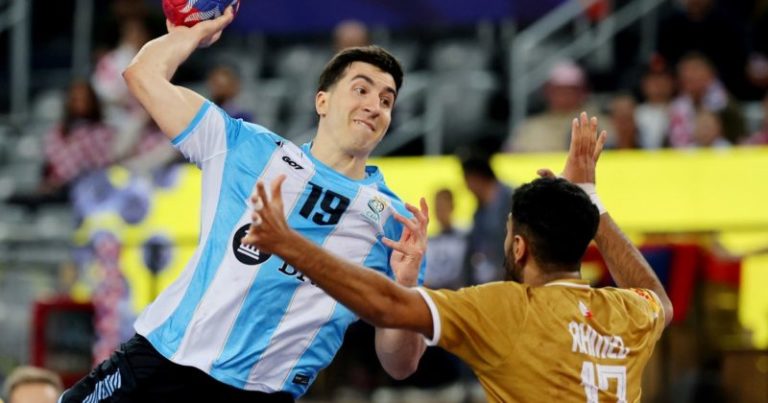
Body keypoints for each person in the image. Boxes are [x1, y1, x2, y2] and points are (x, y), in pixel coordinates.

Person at [60, 8, 426, 402]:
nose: (375, 105)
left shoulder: (393, 222)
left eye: (387, 100)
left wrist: (405, 288)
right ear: (322, 100)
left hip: (258, 392)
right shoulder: (245, 146)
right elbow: (142, 75)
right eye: (362, 89)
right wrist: (192, 35)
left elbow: (400, 364)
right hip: (161, 360)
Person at [243, 112, 674, 402]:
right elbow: (660, 299)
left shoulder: (507, 309)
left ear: (519, 248)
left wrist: (292, 245)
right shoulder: (627, 312)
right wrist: (590, 203)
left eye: (509, 234)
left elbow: (389, 305)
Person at [461, 152, 514, 284]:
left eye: (467, 181)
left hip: (511, 280)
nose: (467, 188)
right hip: (487, 281)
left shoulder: (514, 200)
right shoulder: (478, 212)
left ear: (476, 178)